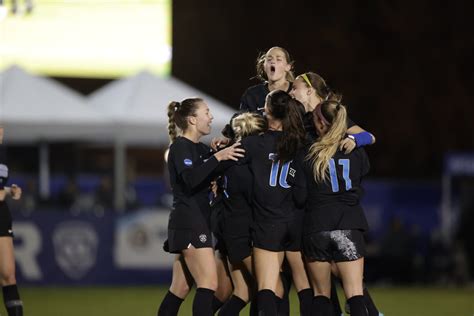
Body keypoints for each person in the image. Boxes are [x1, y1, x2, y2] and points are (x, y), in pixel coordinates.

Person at [157, 98, 244, 316]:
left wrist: (223, 152)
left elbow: (210, 169)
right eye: (206, 112)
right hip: (190, 222)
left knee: (180, 288)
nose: (211, 117)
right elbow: (190, 180)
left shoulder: (200, 148)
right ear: (193, 119)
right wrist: (217, 158)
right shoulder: (180, 147)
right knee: (208, 284)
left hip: (193, 221)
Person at [294, 100, 371, 316]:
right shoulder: (355, 150)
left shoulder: (307, 152)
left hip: (316, 226)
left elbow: (299, 196)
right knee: (355, 294)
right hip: (348, 223)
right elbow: (361, 176)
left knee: (321, 295)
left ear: (320, 122)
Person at [238, 90, 311, 315]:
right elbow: (301, 194)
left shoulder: (253, 144)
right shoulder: (300, 143)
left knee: (267, 288)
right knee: (304, 286)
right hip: (295, 223)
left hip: (268, 223)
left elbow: (236, 179)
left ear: (267, 110)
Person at [216, 112, 267, 315]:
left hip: (229, 229)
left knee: (243, 292)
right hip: (240, 233)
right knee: (272, 288)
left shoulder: (229, 159)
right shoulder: (244, 166)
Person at [0, 126, 24, 316]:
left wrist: (10, 190)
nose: (1, 130)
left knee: (9, 274)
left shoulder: (2, 155)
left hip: (1, 214)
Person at [240, 46, 295, 114]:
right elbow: (240, 120)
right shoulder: (252, 94)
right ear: (264, 66)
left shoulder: (297, 91)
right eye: (269, 59)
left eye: (278, 59)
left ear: (288, 67)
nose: (273, 62)